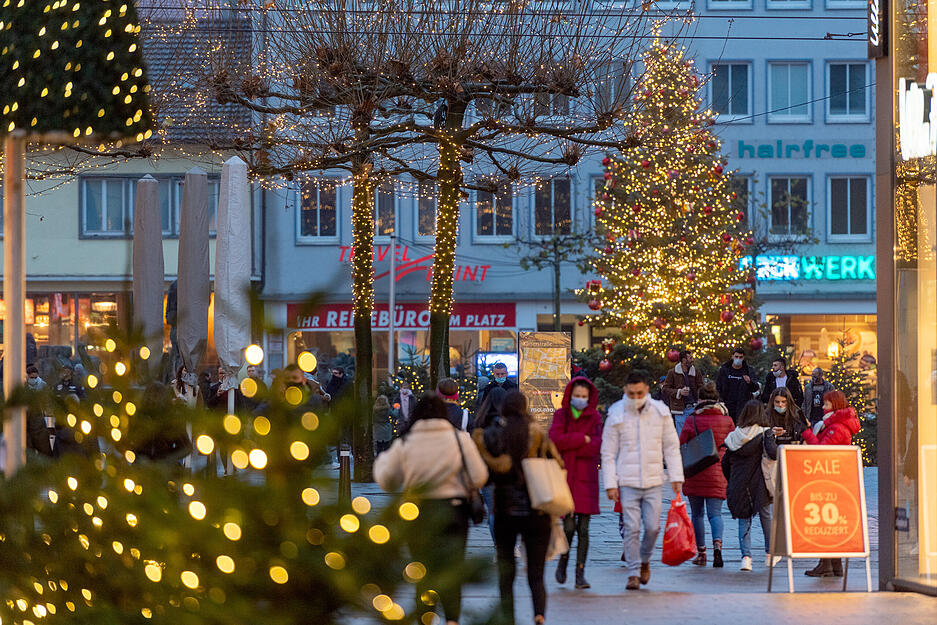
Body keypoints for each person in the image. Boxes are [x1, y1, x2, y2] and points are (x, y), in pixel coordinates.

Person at [375, 394, 488, 625]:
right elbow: (479, 476)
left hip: (418, 512)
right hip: (454, 510)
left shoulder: (406, 442)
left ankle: (425, 618)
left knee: (422, 571)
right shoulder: (459, 439)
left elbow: (387, 480)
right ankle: (452, 620)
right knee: (452, 570)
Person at [476, 391, 561, 625]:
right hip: (537, 509)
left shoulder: (491, 435)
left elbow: (481, 473)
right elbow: (558, 463)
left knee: (506, 570)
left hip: (504, 508)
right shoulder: (537, 434)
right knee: (536, 572)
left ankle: (507, 616)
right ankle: (539, 614)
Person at [601, 371, 683, 591]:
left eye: (639, 393)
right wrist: (610, 483)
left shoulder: (660, 412)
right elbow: (608, 452)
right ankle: (633, 572)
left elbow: (671, 447)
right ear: (625, 391)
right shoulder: (617, 413)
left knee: (653, 527)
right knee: (631, 527)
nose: (635, 397)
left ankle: (645, 559)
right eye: (631, 393)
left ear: (646, 389)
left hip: (654, 479)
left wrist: (676, 476)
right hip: (627, 480)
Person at [548, 377, 602, 589]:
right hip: (568, 478)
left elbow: (596, 445)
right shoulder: (561, 415)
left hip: (587, 478)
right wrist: (581, 439)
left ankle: (580, 572)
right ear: (570, 395)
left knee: (585, 529)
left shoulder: (595, 417)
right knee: (569, 527)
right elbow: (555, 439)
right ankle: (563, 562)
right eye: (577, 396)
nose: (580, 400)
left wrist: (571, 441)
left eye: (583, 397)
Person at [801, 390, 860, 579]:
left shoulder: (837, 427)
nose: (823, 407)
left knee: (825, 523)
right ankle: (834, 565)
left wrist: (807, 433)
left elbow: (821, 451)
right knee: (830, 523)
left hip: (830, 479)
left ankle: (826, 564)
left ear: (834, 406)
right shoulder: (835, 424)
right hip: (836, 479)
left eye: (826, 404)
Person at [678, 381, 734, 568]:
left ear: (700, 399)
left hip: (695, 471)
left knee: (697, 514)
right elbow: (732, 444)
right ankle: (717, 546)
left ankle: (701, 553)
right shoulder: (727, 420)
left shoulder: (692, 419)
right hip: (718, 473)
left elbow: (682, 443)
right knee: (715, 514)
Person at [722, 400, 778, 572]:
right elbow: (774, 454)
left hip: (739, 483)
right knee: (766, 517)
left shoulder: (734, 436)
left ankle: (746, 558)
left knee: (743, 520)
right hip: (759, 483)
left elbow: (725, 463)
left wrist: (732, 480)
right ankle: (770, 554)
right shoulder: (765, 433)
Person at [472, 385, 509, 540]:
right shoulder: (510, 421)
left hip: (487, 475)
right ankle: (509, 545)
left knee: (493, 511)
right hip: (508, 474)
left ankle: (498, 545)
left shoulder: (480, 421)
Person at [661, 350, 704, 433]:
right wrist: (679, 392)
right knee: (681, 437)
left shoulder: (696, 372)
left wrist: (700, 399)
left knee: (693, 437)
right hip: (679, 410)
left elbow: (701, 387)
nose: (692, 360)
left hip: (693, 408)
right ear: (684, 360)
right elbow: (665, 389)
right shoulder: (672, 373)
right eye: (690, 358)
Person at [716, 347, 759, 422]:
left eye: (740, 357)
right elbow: (718, 386)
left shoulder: (748, 370)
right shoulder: (724, 370)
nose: (738, 359)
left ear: (743, 358)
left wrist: (749, 382)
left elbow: (755, 387)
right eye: (736, 357)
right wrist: (720, 401)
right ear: (732, 356)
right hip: (727, 405)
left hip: (743, 406)